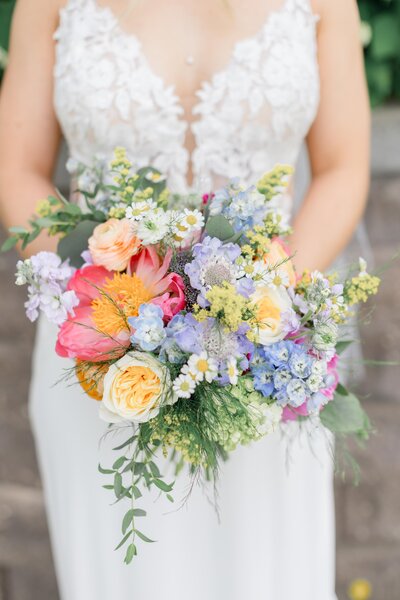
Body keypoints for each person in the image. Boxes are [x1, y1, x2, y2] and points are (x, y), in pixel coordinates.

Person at [0, 1, 370, 598]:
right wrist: (113, 302)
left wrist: (261, 296)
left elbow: (343, 167)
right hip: (100, 354)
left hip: (261, 357)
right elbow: (16, 169)